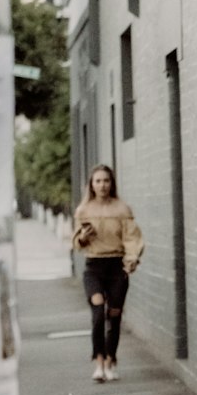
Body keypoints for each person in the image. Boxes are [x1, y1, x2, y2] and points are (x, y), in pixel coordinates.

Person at [72, 164, 144, 383]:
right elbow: (77, 243)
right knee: (97, 314)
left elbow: (132, 237)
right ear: (91, 185)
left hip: (116, 267)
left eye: (106, 181)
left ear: (112, 183)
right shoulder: (83, 210)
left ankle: (112, 359)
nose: (102, 185)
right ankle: (99, 362)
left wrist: (131, 259)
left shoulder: (122, 209)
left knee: (114, 316)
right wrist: (84, 236)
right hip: (94, 267)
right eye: (98, 181)